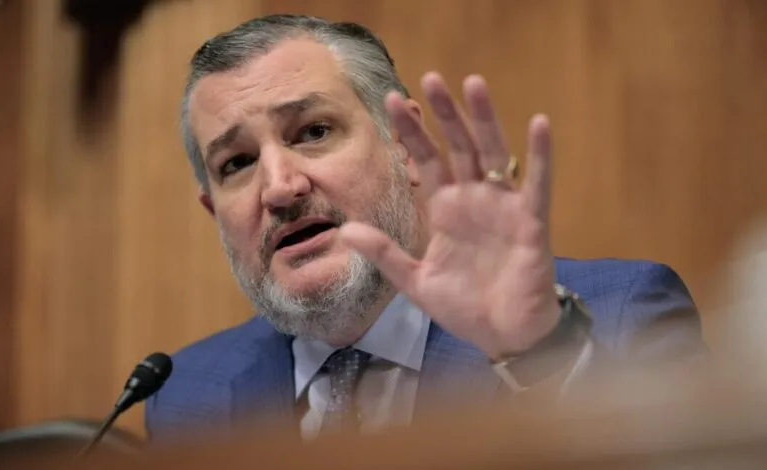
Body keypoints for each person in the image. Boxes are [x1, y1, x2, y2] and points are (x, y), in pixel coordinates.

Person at [144, 14, 705, 442]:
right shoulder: (186, 395)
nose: (278, 188)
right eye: (236, 164)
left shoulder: (622, 316)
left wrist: (539, 355)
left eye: (313, 131)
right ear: (215, 212)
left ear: (405, 146)